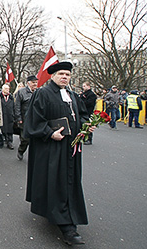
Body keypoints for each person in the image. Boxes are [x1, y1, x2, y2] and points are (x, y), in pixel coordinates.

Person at [24, 61, 94, 246]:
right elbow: (34, 120)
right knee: (57, 181)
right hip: (52, 148)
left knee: (69, 181)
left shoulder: (72, 95)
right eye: (61, 74)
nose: (65, 77)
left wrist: (87, 125)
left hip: (71, 148)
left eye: (68, 74)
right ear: (53, 76)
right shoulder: (43, 93)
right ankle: (67, 227)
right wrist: (48, 132)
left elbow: (82, 114)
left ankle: (66, 215)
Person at [14, 75, 38, 160]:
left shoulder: (39, 92)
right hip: (24, 119)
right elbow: (17, 107)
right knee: (25, 139)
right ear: (28, 83)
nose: (35, 84)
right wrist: (18, 118)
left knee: (35, 140)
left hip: (36, 120)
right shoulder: (21, 92)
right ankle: (21, 150)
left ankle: (34, 156)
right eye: (33, 82)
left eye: (36, 82)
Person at [0, 84, 16, 150]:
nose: (7, 90)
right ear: (3, 89)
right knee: (3, 128)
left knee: (10, 129)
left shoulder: (11, 97)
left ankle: (10, 142)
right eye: (6, 89)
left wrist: (14, 115)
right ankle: (3, 139)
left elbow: (14, 107)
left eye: (8, 89)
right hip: (2, 115)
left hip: (10, 115)